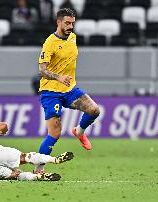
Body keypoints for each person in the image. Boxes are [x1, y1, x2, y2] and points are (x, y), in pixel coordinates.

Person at [35, 8, 100, 173]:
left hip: (69, 90)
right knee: (55, 133)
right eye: (67, 23)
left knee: (94, 110)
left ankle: (79, 132)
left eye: (72, 23)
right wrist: (58, 77)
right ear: (58, 22)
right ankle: (39, 168)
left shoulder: (73, 37)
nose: (70, 26)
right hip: (51, 92)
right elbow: (41, 70)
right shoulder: (50, 43)